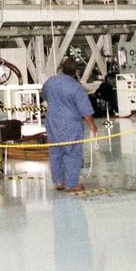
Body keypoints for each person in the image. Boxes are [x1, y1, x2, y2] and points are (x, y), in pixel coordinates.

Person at [40, 57, 98, 192]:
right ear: (76, 72)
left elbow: (44, 96)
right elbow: (85, 111)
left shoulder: (50, 82)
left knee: (55, 151)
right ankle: (71, 184)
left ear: (61, 68)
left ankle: (58, 182)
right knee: (72, 153)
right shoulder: (76, 87)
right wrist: (92, 126)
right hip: (70, 124)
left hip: (52, 122)